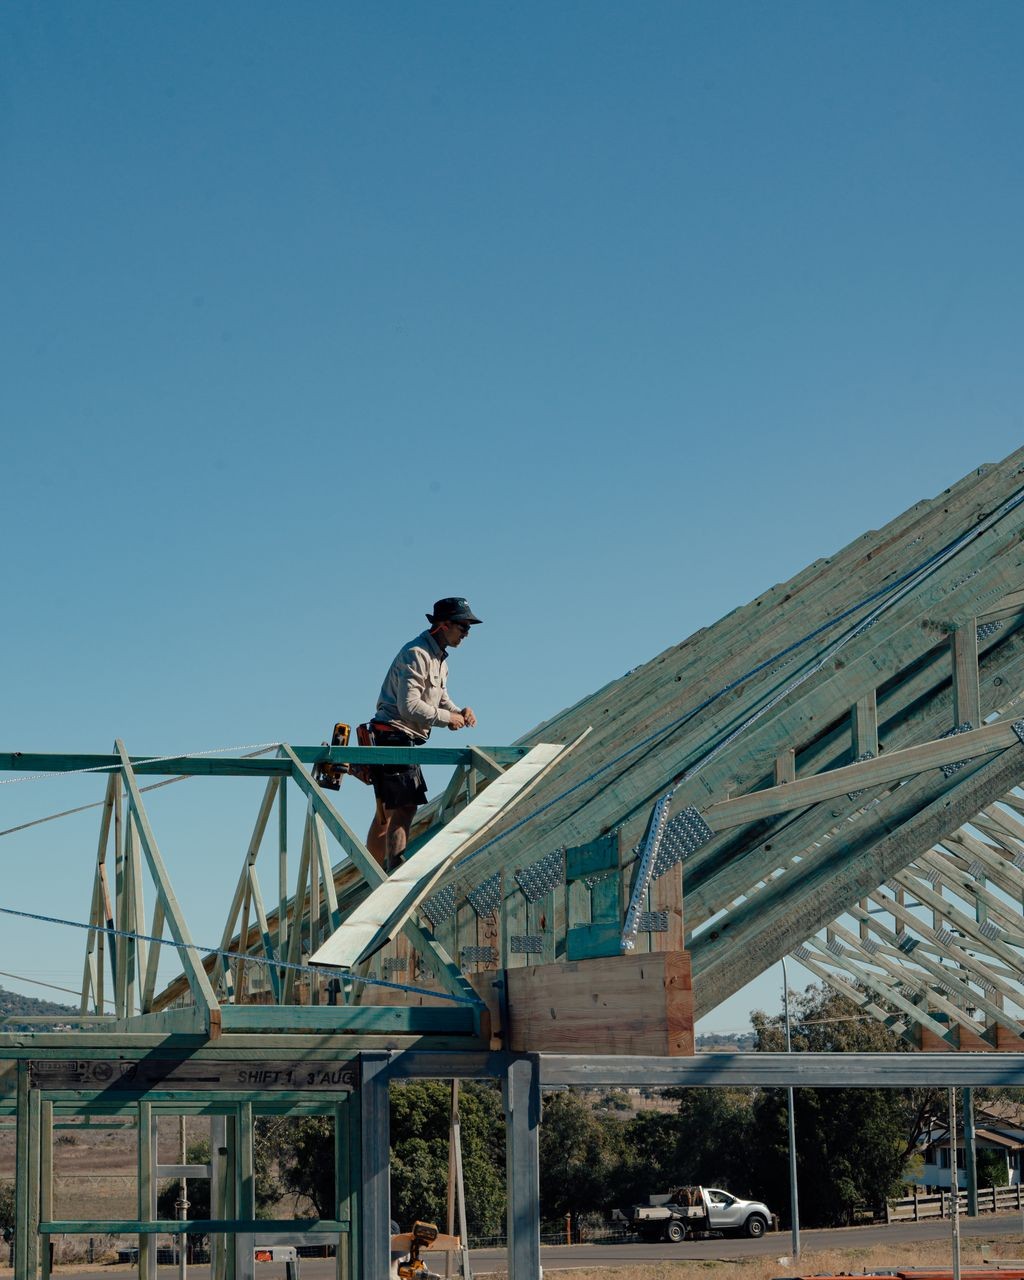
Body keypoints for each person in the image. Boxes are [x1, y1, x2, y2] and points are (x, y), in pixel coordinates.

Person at [365, 597, 482, 870]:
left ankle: (374, 872)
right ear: (443, 625)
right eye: (463, 626)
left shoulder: (439, 659)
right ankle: (394, 866)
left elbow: (439, 697)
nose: (466, 633)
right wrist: (447, 718)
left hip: (398, 736)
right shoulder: (417, 654)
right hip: (393, 734)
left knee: (388, 811)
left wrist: (459, 711)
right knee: (405, 805)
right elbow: (409, 707)